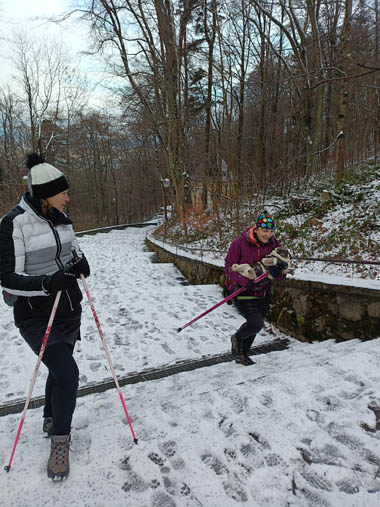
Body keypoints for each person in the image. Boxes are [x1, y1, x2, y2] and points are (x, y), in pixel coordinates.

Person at [0, 153, 90, 481]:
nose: (68, 196)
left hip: (68, 309)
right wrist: (45, 283)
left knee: (59, 365)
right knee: (67, 374)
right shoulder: (14, 224)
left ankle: (51, 415)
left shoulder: (62, 217)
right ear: (45, 195)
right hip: (35, 316)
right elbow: (8, 277)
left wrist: (80, 264)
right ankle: (60, 441)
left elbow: (73, 252)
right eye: (63, 191)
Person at [225, 211, 289, 366]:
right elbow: (228, 267)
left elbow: (282, 273)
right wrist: (244, 281)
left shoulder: (275, 245)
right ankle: (237, 338)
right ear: (257, 228)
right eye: (265, 231)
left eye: (271, 231)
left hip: (263, 292)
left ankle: (243, 354)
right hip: (242, 291)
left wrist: (277, 273)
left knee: (256, 325)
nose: (268, 235)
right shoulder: (239, 243)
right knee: (256, 323)